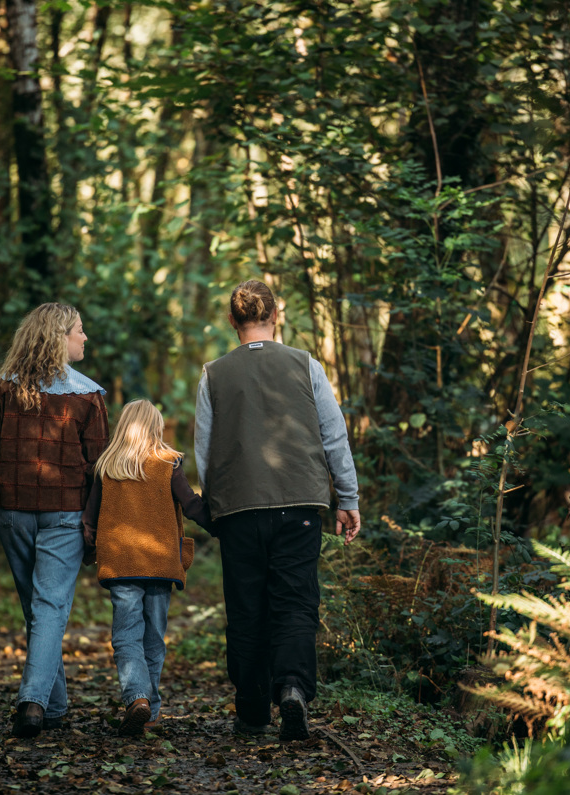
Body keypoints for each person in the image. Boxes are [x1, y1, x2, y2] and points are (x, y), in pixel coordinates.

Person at [195, 279, 362, 741]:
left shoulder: (213, 374)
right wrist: (347, 498)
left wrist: (216, 505)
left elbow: (205, 451)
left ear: (233, 321)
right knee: (295, 600)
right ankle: (291, 687)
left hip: (239, 508)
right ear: (277, 316)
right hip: (302, 502)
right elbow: (334, 436)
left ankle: (251, 710)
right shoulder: (306, 365)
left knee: (247, 607)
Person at [0, 302, 110, 738]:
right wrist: (97, 529)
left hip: (12, 513)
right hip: (63, 515)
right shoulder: (88, 397)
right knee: (48, 609)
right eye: (79, 331)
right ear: (58, 338)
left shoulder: (3, 392)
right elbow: (99, 473)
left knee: (39, 610)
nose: (85, 338)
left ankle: (50, 707)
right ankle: (33, 699)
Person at [82, 399, 212, 736]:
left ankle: (137, 699)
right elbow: (192, 505)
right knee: (154, 638)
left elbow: (89, 519)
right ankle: (149, 710)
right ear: (156, 427)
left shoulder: (107, 466)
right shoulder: (168, 463)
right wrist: (222, 526)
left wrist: (87, 548)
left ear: (123, 427)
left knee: (126, 637)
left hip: (121, 564)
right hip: (160, 564)